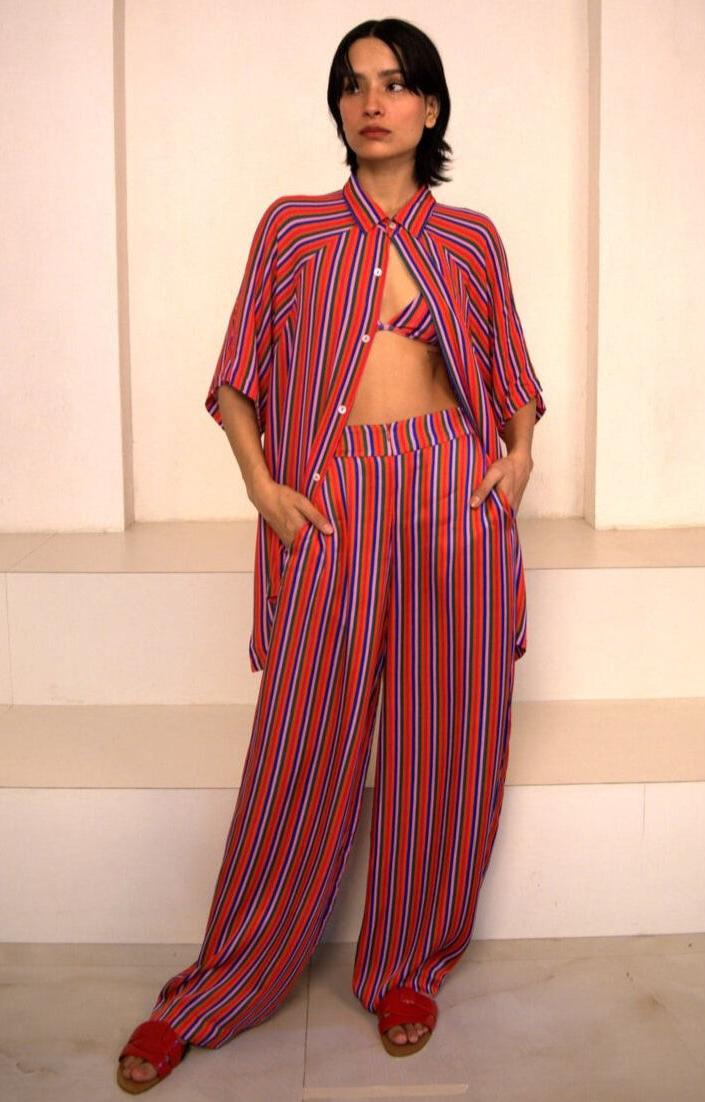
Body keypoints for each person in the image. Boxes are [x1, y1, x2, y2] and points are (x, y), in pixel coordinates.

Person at [118, 15, 546, 1092]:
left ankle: (406, 965)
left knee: (443, 739)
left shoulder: (471, 239)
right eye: (354, 85)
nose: (373, 102)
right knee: (302, 742)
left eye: (396, 85)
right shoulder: (294, 229)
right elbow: (235, 376)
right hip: (334, 499)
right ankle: (224, 981)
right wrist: (263, 490)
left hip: (450, 488)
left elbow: (509, 377)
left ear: (430, 108)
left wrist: (516, 459)